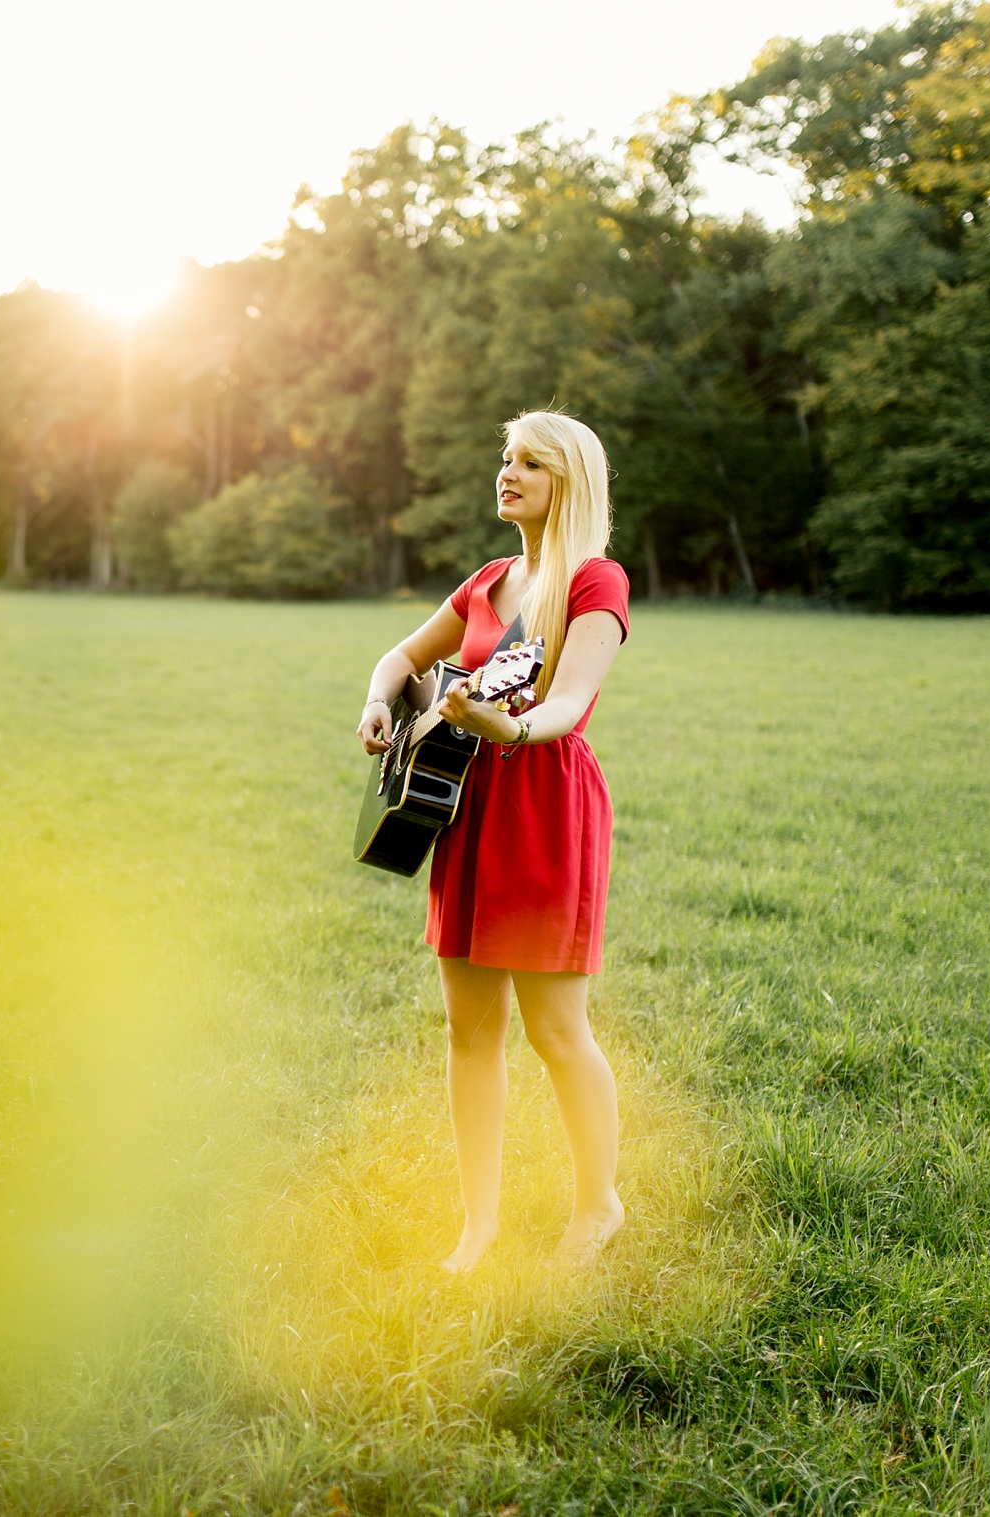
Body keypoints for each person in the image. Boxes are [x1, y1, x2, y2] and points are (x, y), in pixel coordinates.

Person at [355, 411, 630, 1272]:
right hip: (464, 807)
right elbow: (399, 658)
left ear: (568, 480)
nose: (506, 474)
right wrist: (377, 702)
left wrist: (502, 728)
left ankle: (599, 1206)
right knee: (468, 1030)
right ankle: (479, 1223)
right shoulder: (487, 580)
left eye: (529, 464)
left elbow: (568, 703)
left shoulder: (594, 581)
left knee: (555, 1028)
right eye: (504, 459)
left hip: (544, 805)